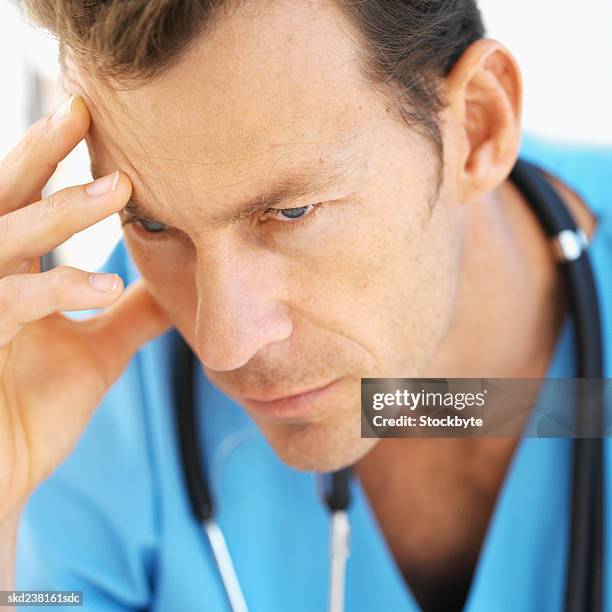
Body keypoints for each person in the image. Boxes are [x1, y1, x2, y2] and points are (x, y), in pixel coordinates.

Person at [1, 0, 611, 610]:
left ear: (477, 128)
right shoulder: (78, 382)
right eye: (155, 228)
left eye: (291, 212)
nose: (224, 346)